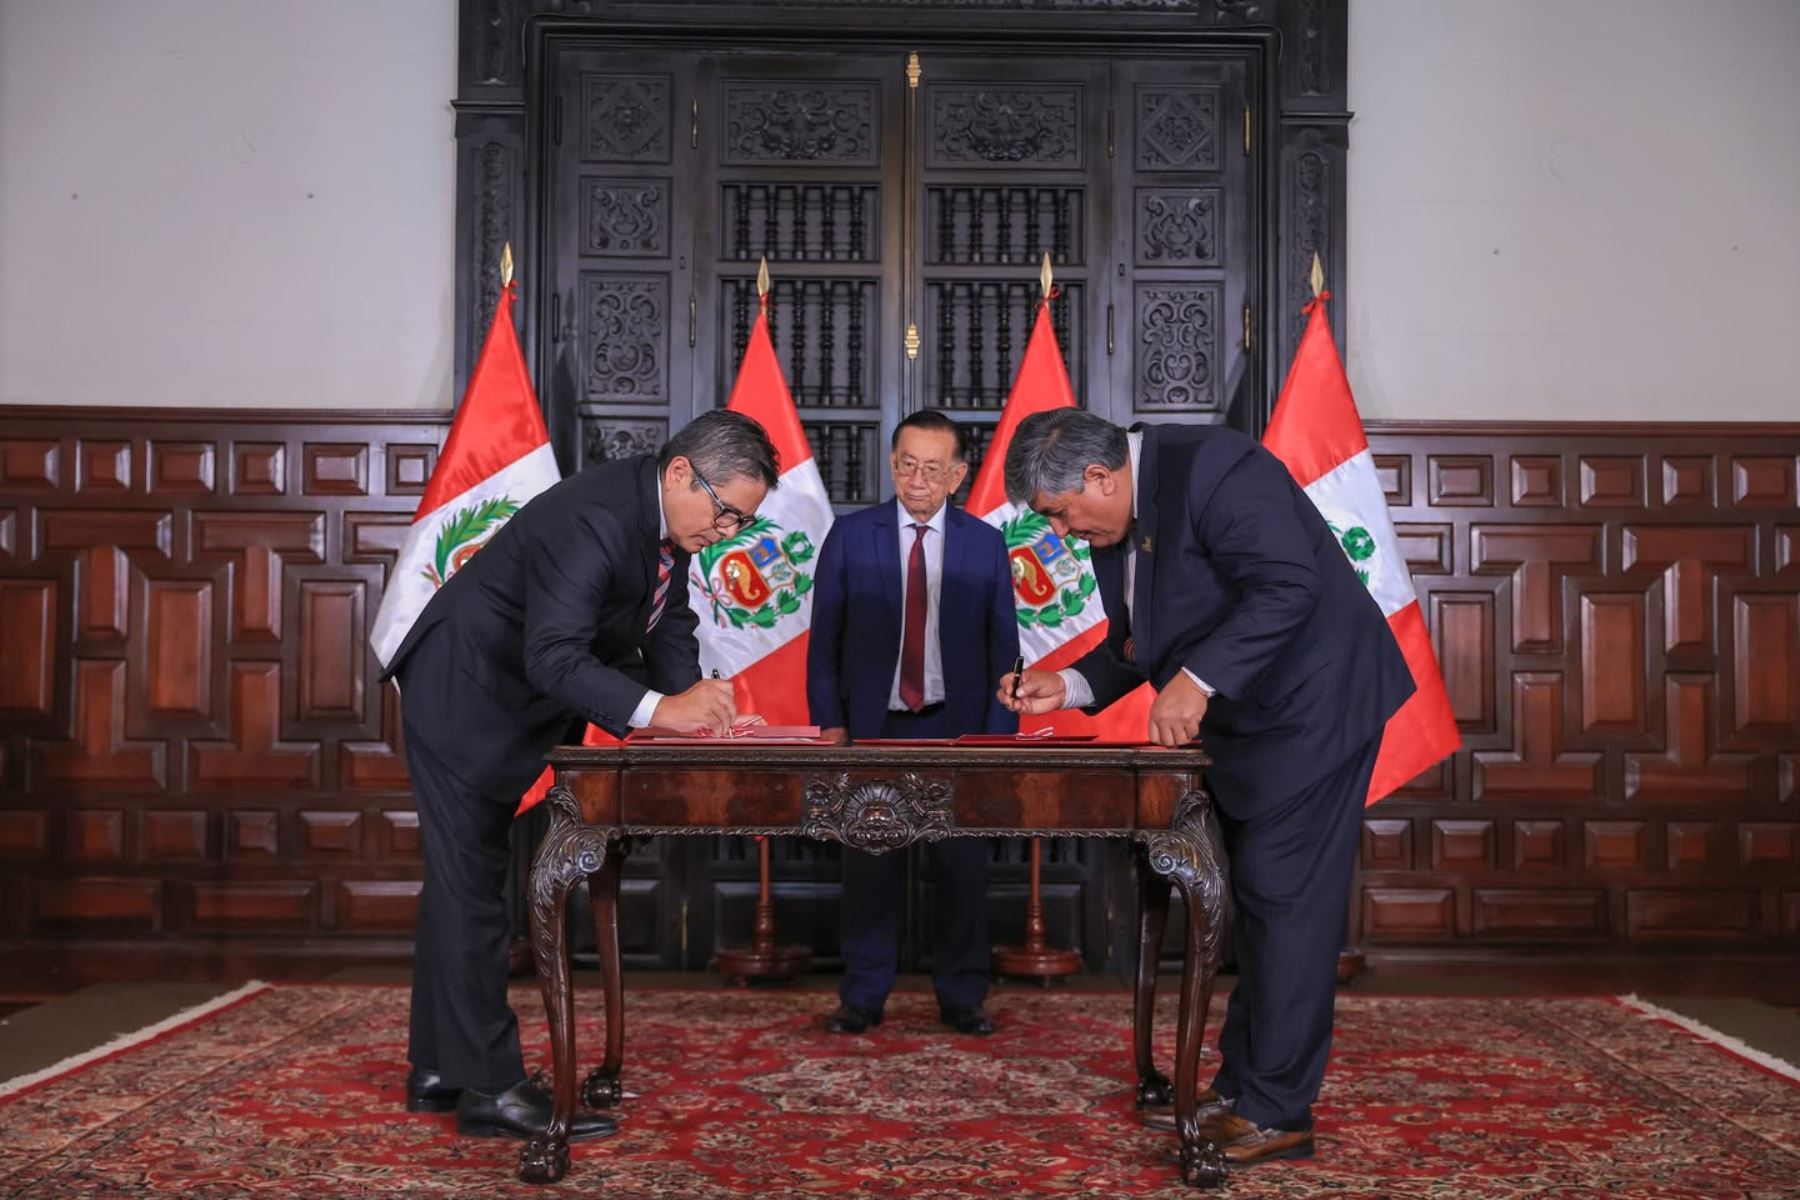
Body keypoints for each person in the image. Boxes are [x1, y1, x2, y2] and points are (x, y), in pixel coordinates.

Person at [997, 409, 1412, 1166]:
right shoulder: (1114, 523)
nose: (1060, 533)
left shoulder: (1218, 468)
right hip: (1255, 727)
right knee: (1259, 903)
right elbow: (1141, 641)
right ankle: (1247, 1088)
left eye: (1060, 514)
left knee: (1285, 902)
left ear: (1099, 477)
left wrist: (1195, 682)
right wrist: (1071, 682)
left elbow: (1289, 587)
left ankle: (1278, 1113)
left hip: (1316, 709)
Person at [382, 409, 779, 1141]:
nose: (727, 534)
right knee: (474, 890)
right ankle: (491, 1088)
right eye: (726, 515)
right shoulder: (595, 518)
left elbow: (666, 626)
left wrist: (701, 710)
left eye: (741, 525)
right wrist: (665, 710)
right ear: (684, 472)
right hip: (463, 695)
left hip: (509, 704)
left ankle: (438, 1068)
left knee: (461, 886)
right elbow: (556, 657)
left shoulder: (666, 520)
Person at [807, 410, 1020, 1037]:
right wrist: (831, 725)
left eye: (933, 469)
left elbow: (1003, 645)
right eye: (907, 464)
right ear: (892, 463)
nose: (918, 480)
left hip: (958, 728)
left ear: (957, 474)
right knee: (869, 867)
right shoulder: (851, 536)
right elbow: (825, 644)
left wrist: (992, 741)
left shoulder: (985, 542)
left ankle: (962, 996)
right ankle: (864, 996)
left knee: (960, 869)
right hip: (874, 728)